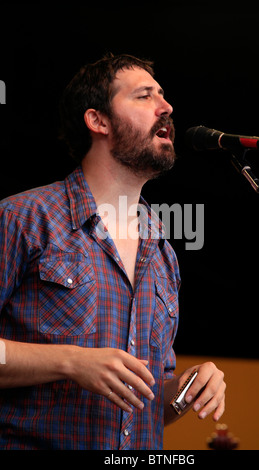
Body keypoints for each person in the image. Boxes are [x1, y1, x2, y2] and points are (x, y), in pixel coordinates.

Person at [0, 53, 226, 450]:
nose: (166, 106)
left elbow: (146, 405)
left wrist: (187, 388)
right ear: (98, 121)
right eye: (143, 96)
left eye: (163, 95)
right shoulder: (23, 218)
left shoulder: (162, 252)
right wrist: (70, 362)